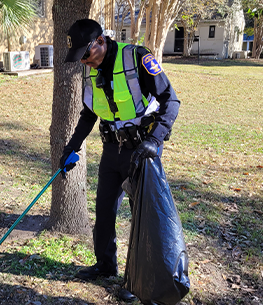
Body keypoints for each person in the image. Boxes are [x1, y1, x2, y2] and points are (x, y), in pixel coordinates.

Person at [60, 19, 181, 301]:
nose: (84, 61)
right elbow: (90, 113)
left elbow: (170, 100)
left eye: (86, 54)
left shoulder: (137, 57)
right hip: (111, 151)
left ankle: (142, 281)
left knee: (145, 221)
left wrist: (155, 140)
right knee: (104, 212)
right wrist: (71, 148)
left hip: (142, 151)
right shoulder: (89, 72)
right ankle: (105, 266)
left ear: (100, 41)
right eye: (79, 57)